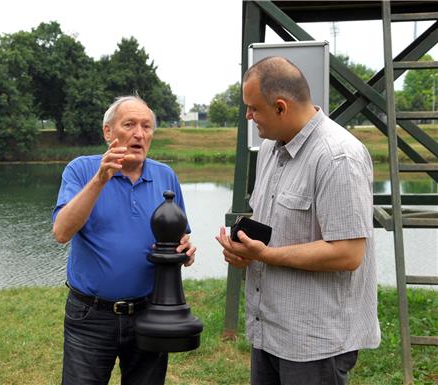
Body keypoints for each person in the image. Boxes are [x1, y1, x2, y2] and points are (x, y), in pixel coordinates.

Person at [216, 56, 380, 385]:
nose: (248, 116)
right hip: (270, 332)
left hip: (315, 343)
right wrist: (244, 251)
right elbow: (273, 223)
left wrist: (266, 256)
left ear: (281, 107)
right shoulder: (269, 149)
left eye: (253, 108)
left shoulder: (338, 156)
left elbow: (347, 253)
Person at [52, 95, 195, 385]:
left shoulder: (165, 176)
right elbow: (62, 232)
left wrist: (186, 250)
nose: (139, 134)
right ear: (108, 132)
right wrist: (100, 179)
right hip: (90, 316)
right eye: (129, 124)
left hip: (150, 312)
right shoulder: (80, 170)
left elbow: (181, 236)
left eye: (146, 126)